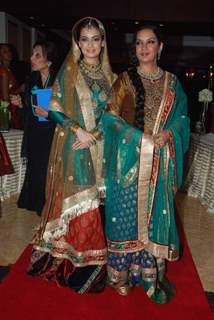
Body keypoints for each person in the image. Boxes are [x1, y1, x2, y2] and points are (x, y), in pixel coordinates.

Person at [27, 17, 116, 294]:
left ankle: (80, 257)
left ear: (102, 42)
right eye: (85, 39)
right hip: (74, 145)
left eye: (95, 39)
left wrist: (97, 135)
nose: (90, 44)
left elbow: (112, 115)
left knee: (94, 204)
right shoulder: (70, 72)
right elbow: (52, 107)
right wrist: (78, 130)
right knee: (82, 202)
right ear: (78, 43)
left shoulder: (109, 77)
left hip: (99, 146)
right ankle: (82, 265)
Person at [102, 23, 190, 303]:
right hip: (127, 162)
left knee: (152, 218)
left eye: (150, 42)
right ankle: (120, 275)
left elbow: (182, 119)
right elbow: (110, 118)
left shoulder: (173, 83)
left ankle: (149, 272)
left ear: (160, 47)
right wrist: (138, 138)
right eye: (139, 43)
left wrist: (168, 133)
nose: (144, 48)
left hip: (158, 163)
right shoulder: (124, 80)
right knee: (125, 217)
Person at [10, 40, 58, 215]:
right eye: (32, 54)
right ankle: (35, 201)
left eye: (37, 55)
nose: (31, 58)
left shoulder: (59, 81)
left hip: (54, 131)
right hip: (36, 131)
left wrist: (50, 113)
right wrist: (21, 104)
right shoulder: (32, 79)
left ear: (49, 61)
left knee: (49, 168)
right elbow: (30, 110)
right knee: (36, 166)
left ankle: (48, 203)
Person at [0, 43, 23, 129]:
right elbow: (5, 97)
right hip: (7, 108)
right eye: (5, 52)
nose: (9, 53)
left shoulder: (8, 70)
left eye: (9, 50)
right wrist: (20, 89)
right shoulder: (4, 72)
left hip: (11, 106)